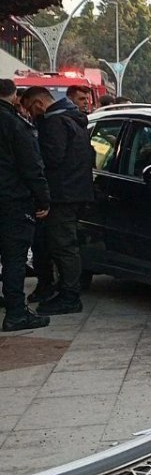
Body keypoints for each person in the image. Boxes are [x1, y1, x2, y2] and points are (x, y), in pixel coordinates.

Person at [20, 86, 95, 316]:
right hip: (77, 191)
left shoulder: (54, 123)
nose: (31, 115)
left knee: (64, 246)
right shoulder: (74, 120)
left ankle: (70, 296)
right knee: (66, 245)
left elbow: (51, 160)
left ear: (39, 103)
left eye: (31, 109)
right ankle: (66, 291)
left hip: (62, 195)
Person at [0, 79, 50, 331]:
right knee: (14, 258)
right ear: (15, 97)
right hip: (12, 201)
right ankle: (17, 313)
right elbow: (31, 166)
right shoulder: (14, 124)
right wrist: (43, 198)